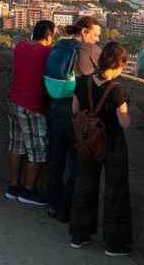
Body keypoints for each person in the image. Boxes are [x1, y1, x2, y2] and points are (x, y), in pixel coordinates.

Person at [70, 42, 132, 257]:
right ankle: (114, 243)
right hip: (112, 144)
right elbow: (124, 123)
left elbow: (75, 110)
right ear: (118, 65)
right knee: (115, 191)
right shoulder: (117, 90)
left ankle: (79, 235)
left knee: (84, 186)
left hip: (87, 142)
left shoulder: (82, 82)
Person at [45, 16, 101, 221]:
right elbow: (90, 80)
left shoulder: (60, 45)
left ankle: (52, 202)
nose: (96, 39)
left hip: (55, 104)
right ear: (84, 32)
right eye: (95, 35)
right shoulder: (86, 50)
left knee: (56, 158)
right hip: (76, 110)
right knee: (76, 163)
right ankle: (66, 209)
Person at [5, 19, 54, 206]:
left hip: (14, 100)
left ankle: (13, 186)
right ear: (49, 36)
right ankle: (28, 191)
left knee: (16, 146)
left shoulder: (20, 47)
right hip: (32, 105)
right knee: (37, 151)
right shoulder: (47, 52)